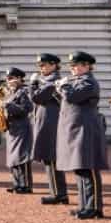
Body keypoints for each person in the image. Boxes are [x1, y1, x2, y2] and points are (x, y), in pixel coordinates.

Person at [56, 51, 106, 220]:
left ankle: (94, 207)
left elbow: (73, 96)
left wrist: (63, 86)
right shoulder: (77, 81)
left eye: (76, 65)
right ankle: (84, 205)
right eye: (72, 66)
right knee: (80, 169)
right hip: (76, 129)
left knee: (88, 169)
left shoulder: (89, 82)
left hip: (85, 129)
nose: (73, 68)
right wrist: (60, 88)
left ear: (86, 66)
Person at [30, 53, 68, 204]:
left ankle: (59, 194)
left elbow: (36, 98)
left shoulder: (53, 81)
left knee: (51, 158)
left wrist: (32, 84)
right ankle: (57, 193)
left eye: (44, 65)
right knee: (49, 159)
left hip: (51, 124)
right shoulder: (47, 81)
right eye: (40, 66)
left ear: (53, 65)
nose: (41, 68)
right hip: (46, 123)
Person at [0, 67, 34, 194]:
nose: (9, 81)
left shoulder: (24, 91)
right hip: (12, 128)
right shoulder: (10, 92)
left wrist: (9, 105)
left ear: (20, 78)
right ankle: (17, 183)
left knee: (22, 157)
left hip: (22, 127)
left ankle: (25, 185)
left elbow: (26, 109)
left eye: (12, 78)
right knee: (13, 158)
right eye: (8, 78)